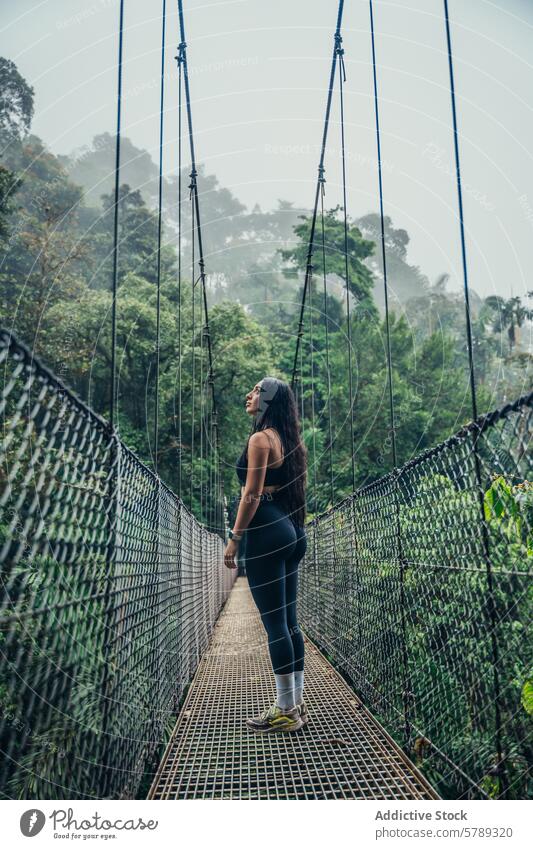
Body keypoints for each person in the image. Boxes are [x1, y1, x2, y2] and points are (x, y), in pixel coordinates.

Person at [224, 376, 309, 734]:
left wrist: (234, 538)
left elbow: (252, 494)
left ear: (269, 400)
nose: (250, 394)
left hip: (266, 532)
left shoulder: (260, 439)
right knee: (289, 622)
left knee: (275, 625)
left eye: (258, 390)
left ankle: (285, 710)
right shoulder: (288, 440)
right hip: (292, 530)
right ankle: (294, 702)